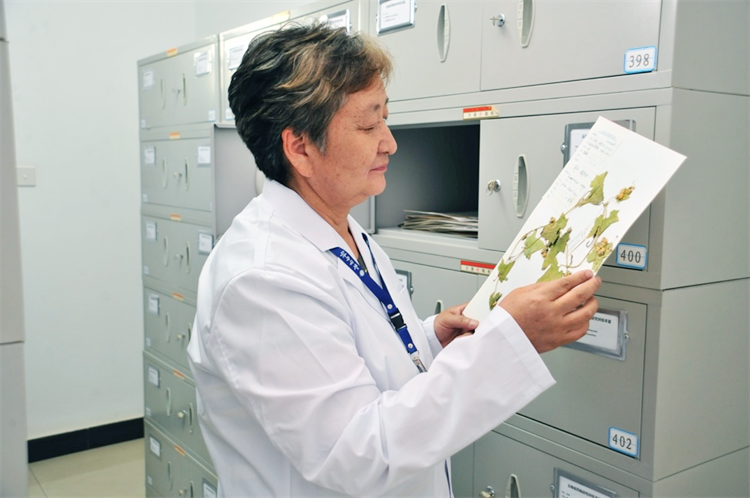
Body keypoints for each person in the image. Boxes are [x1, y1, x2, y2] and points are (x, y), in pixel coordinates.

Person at [187, 22, 600, 498]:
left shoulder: (341, 230)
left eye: (385, 118)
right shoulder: (263, 280)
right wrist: (511, 341)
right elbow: (357, 453)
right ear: (299, 147)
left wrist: (430, 340)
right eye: (368, 125)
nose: (390, 141)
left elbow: (354, 360)